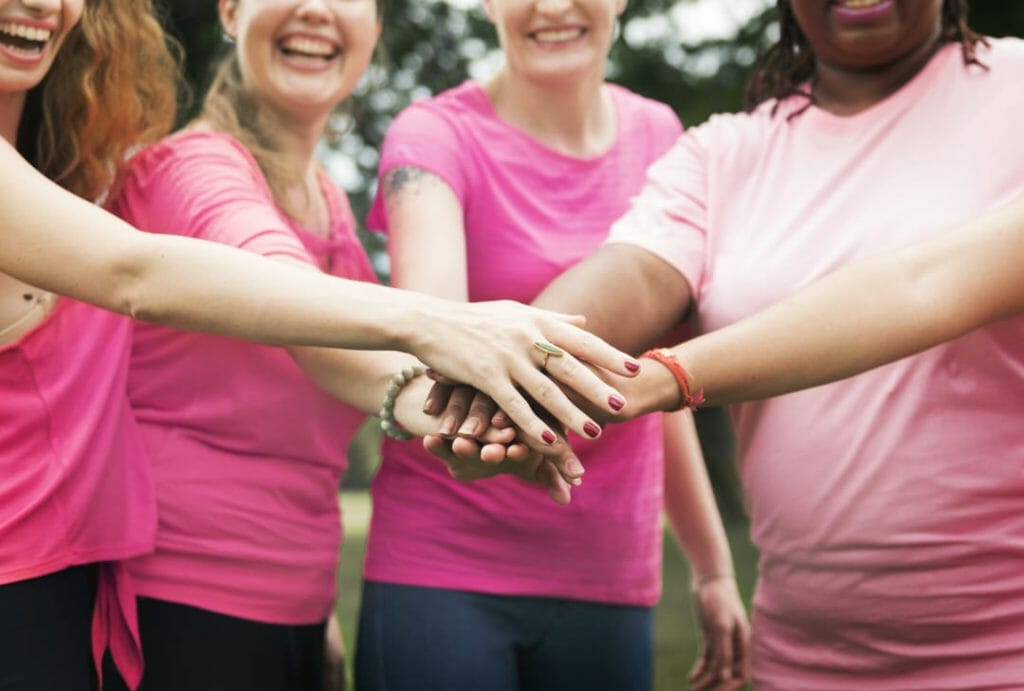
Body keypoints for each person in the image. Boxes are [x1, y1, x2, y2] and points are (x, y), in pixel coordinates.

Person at [0, 1, 637, 689]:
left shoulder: (327, 196)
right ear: (229, 12)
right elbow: (276, 303)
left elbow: (353, 367)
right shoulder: (191, 168)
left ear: (377, 28)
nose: (316, 8)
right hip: (179, 602)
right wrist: (443, 326)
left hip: (287, 603)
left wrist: (472, 417)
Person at [517, 0, 1024, 686]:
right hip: (801, 660)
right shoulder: (725, 151)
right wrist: (510, 366)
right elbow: (634, 270)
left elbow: (920, 287)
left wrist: (668, 374)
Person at [356, 1, 749, 690]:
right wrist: (478, 434)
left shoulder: (659, 133)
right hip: (443, 563)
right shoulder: (433, 136)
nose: (553, 6)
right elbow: (436, 338)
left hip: (609, 570)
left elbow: (651, 377)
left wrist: (712, 566)